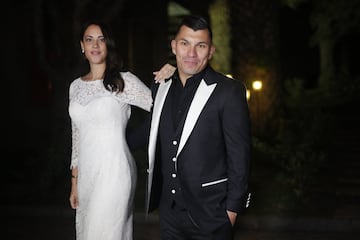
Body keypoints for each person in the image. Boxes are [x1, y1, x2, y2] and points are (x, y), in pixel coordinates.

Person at [146, 15, 251, 239]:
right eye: (185, 44)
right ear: (174, 46)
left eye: (200, 45)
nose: (191, 54)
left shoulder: (228, 91)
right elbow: (147, 133)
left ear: (211, 51)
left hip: (211, 216)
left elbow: (239, 157)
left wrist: (232, 211)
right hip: (169, 216)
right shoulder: (161, 87)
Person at [68, 20, 174, 240]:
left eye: (101, 39)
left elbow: (161, 109)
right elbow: (76, 135)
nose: (95, 45)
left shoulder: (123, 81)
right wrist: (74, 182)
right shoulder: (75, 86)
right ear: (82, 46)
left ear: (108, 45)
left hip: (115, 171)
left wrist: (172, 74)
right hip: (87, 175)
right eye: (89, 40)